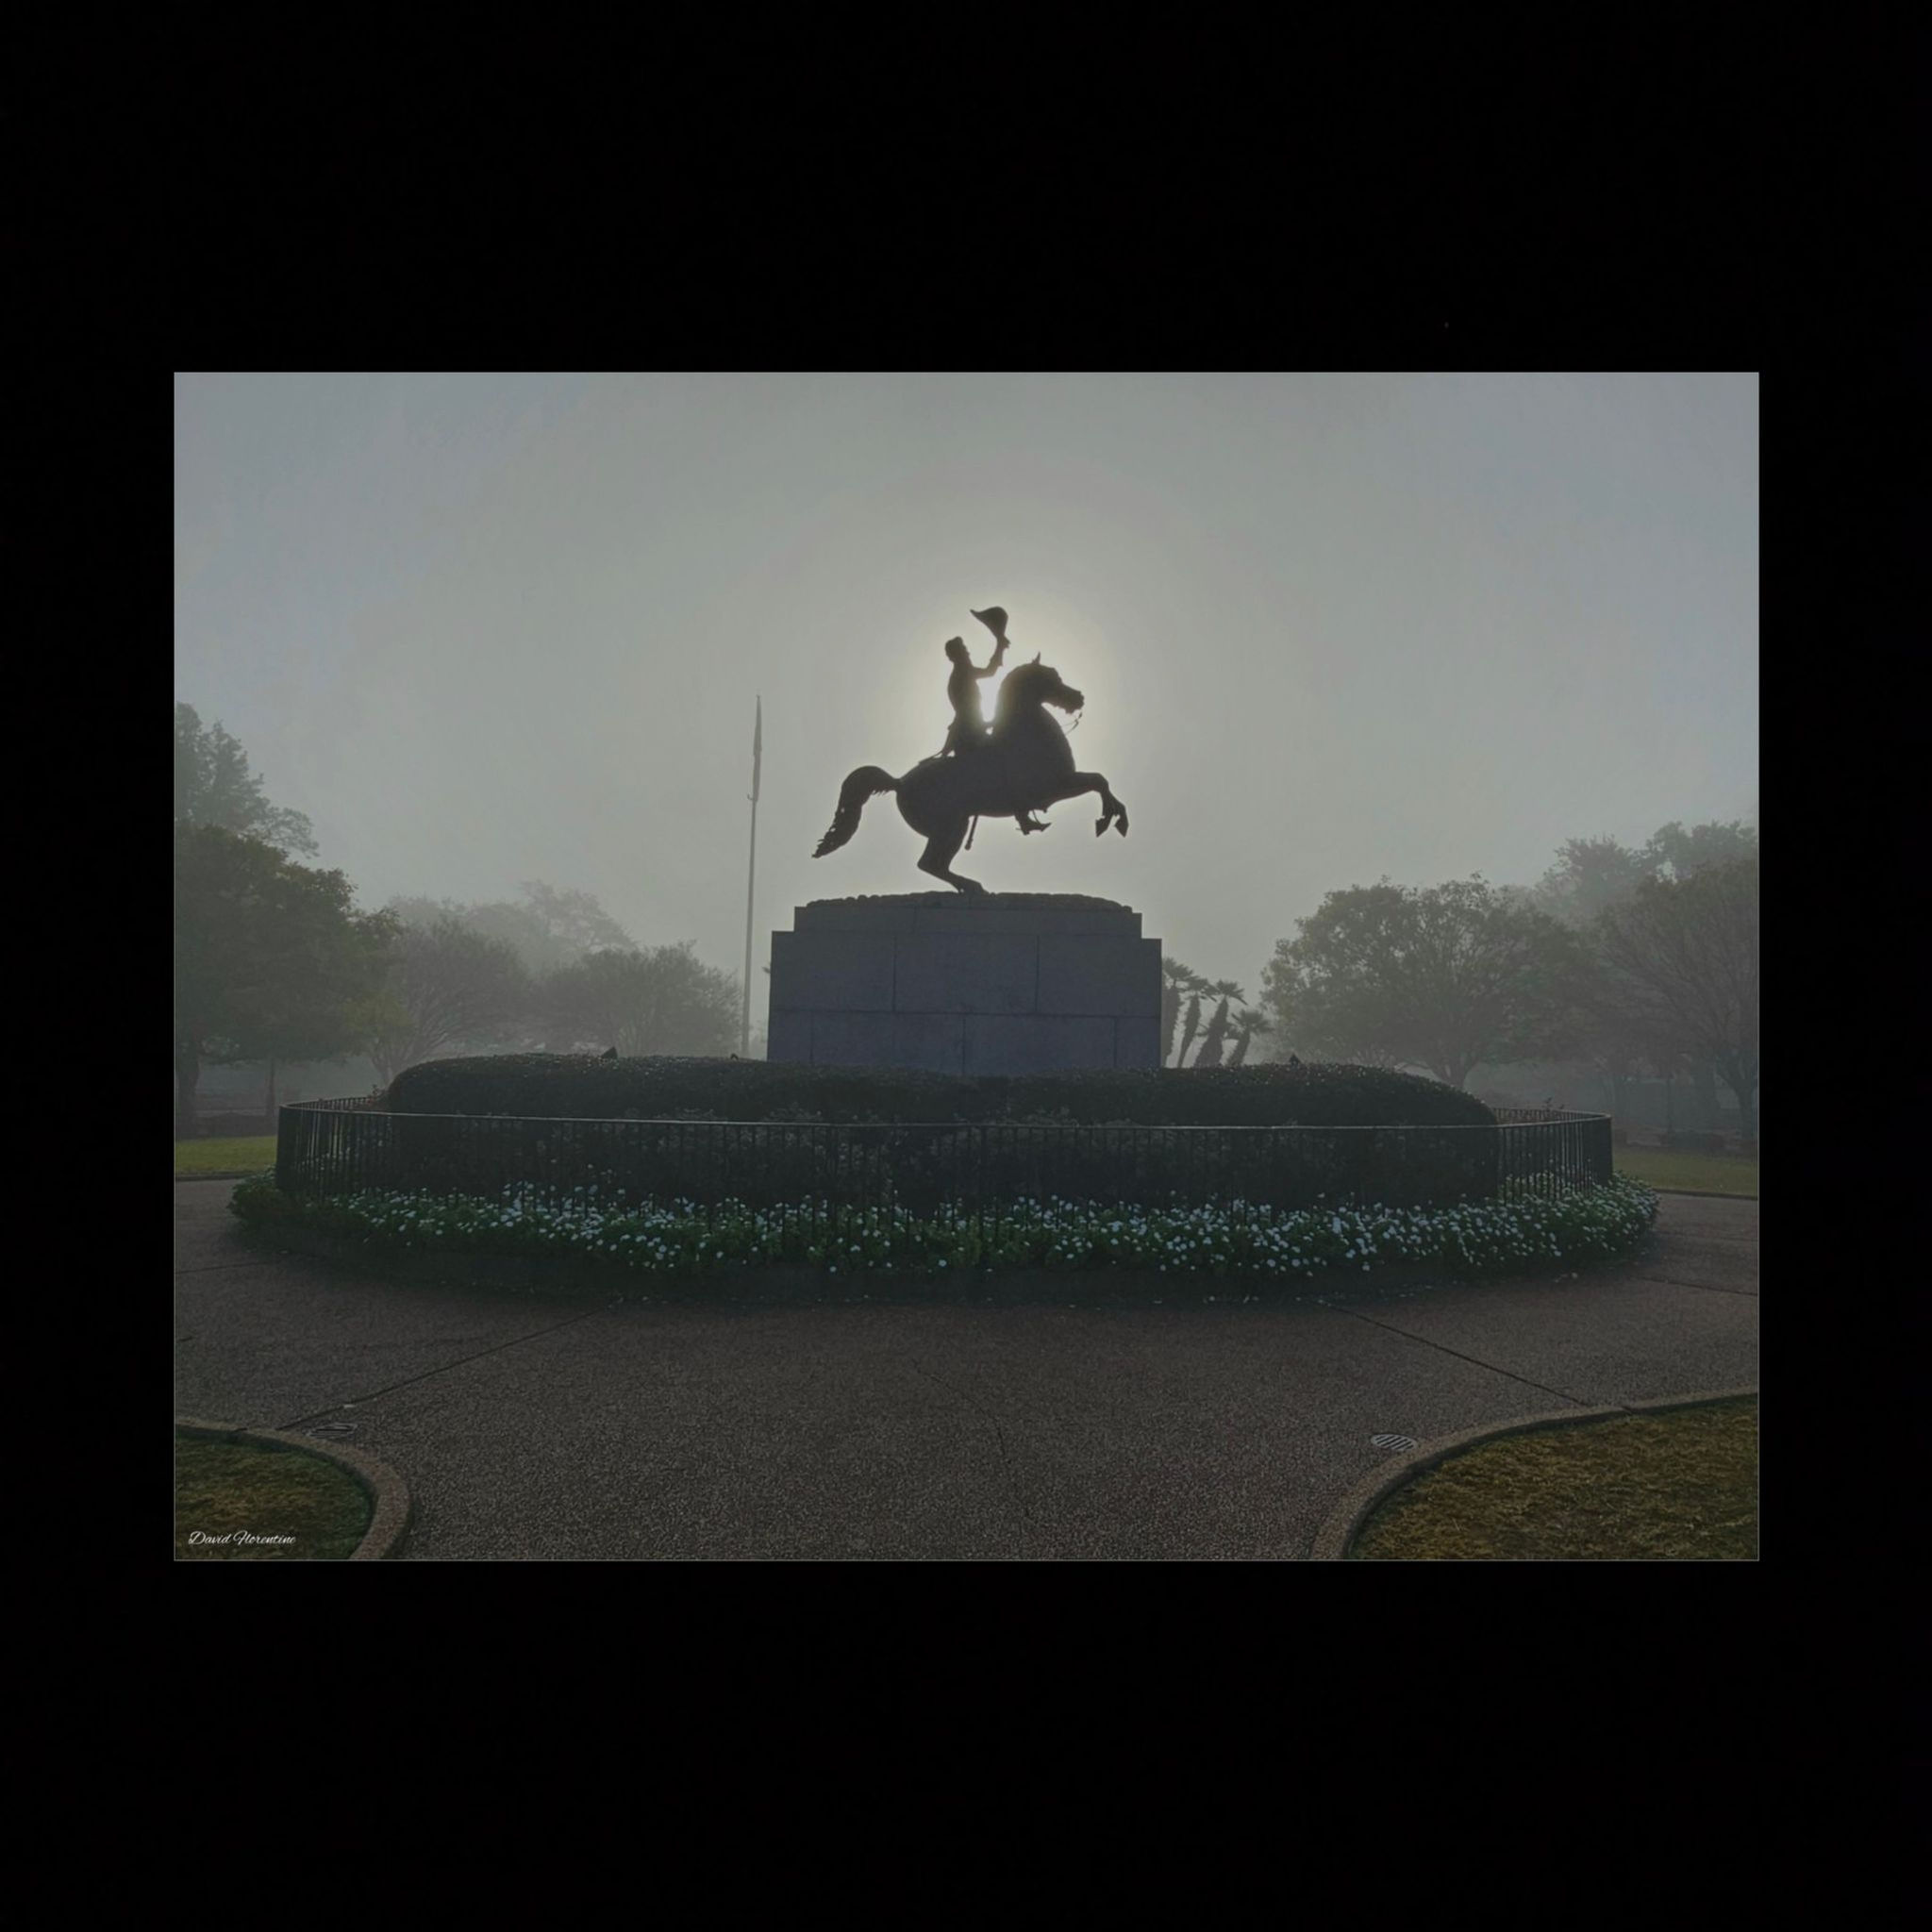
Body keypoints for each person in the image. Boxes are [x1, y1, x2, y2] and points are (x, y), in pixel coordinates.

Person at [940, 610, 1047, 833]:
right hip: (968, 733)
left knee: (1008, 757)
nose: (968, 653)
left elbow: (988, 673)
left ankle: (1022, 815)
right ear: (956, 655)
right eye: (964, 651)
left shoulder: (963, 672)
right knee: (1006, 760)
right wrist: (999, 645)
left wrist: (1000, 646)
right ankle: (1022, 817)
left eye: (966, 650)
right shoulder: (962, 674)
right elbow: (969, 707)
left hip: (972, 729)